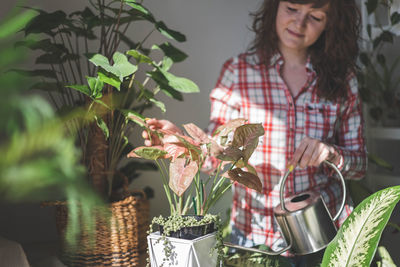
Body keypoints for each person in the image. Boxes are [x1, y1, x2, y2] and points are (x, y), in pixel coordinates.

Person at [143, 0, 367, 265]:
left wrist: (330, 153)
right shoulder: (238, 73)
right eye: (292, 9)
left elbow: (359, 165)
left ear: (331, 22)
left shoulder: (343, 80)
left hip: (324, 234)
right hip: (255, 239)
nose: (299, 23)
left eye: (315, 17)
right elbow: (216, 154)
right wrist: (180, 143)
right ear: (275, 7)